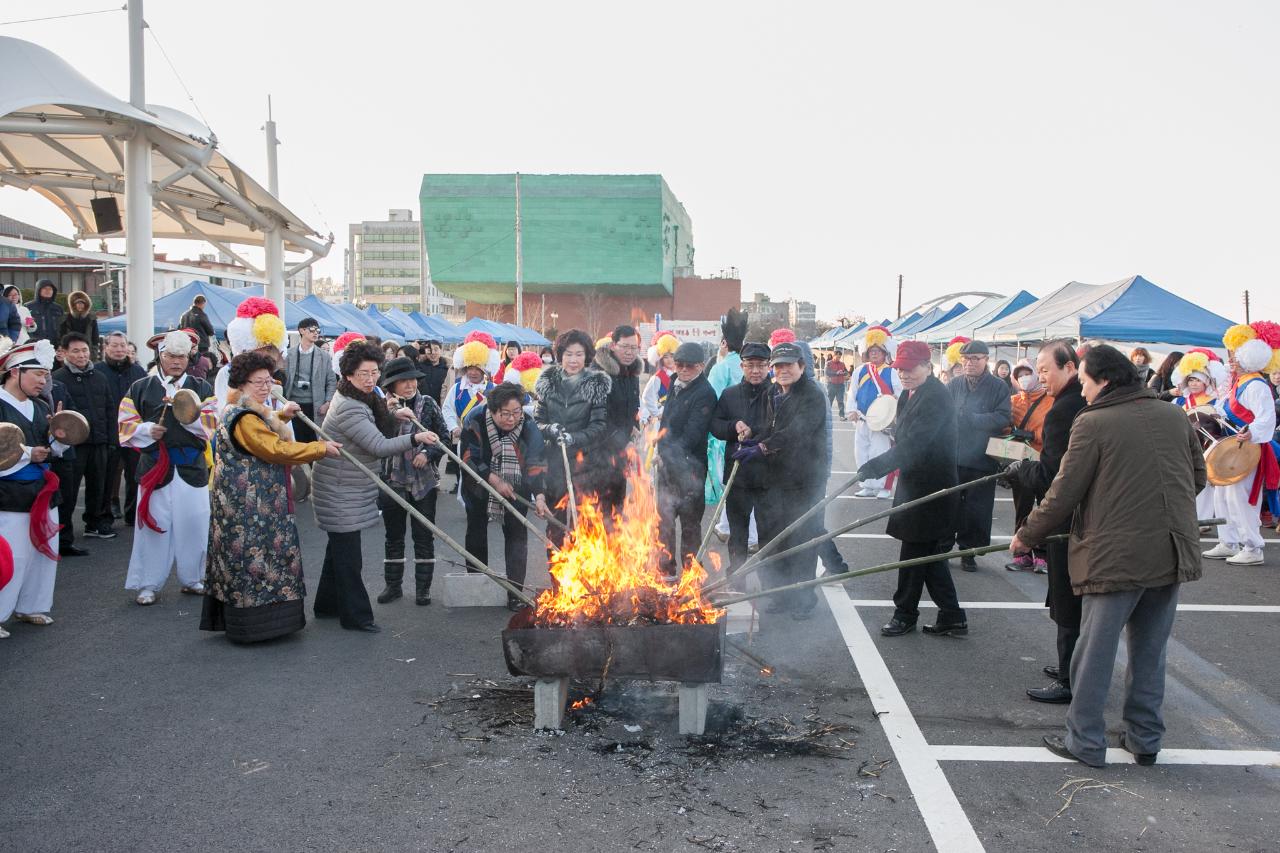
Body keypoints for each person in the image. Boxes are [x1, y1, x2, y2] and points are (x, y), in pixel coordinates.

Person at [1011, 345, 1205, 768]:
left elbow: (1063, 493)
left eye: (1083, 381)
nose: (1081, 389)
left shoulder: (1093, 422)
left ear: (1103, 380)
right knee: (1150, 653)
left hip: (1115, 557)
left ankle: (1084, 741)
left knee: (1093, 654)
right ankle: (1145, 738)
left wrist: (1026, 535)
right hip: (1169, 552)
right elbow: (1197, 477)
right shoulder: (1173, 414)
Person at [201, 351, 340, 643]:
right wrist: (319, 449)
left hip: (247, 503)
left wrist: (280, 416)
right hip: (251, 506)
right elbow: (273, 449)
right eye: (258, 383)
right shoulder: (244, 417)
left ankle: (258, 624)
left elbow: (264, 433)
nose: (265, 387)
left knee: (251, 561)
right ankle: (257, 628)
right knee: (258, 562)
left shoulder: (241, 409)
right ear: (241, 384)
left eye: (268, 381)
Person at [310, 341, 437, 632]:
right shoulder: (350, 407)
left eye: (374, 372)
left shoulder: (356, 397)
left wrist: (394, 416)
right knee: (348, 555)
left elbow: (376, 427)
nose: (370, 379)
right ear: (348, 375)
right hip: (340, 487)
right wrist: (416, 439)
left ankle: (327, 605)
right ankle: (357, 617)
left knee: (339, 549)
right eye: (363, 374)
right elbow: (378, 445)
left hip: (345, 483)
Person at [855, 340, 967, 636]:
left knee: (914, 554)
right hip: (915, 484)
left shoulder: (936, 397)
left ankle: (905, 614)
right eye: (900, 368)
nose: (904, 374)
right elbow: (904, 434)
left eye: (910, 368)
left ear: (928, 367)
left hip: (932, 489)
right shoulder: (908, 394)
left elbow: (915, 445)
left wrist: (875, 466)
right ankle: (952, 616)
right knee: (927, 557)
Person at [1002, 342, 1088, 703]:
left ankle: (1070, 678)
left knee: (1067, 597)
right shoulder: (1082, 403)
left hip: (1066, 519)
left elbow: (1053, 476)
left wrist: (1023, 470)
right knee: (1069, 595)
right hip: (1082, 517)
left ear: (1070, 367)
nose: (1040, 377)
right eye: (1037, 370)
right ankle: (1069, 665)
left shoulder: (1064, 409)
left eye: (1046, 369)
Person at [118, 330, 218, 605]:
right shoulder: (141, 387)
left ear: (190, 357)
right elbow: (124, 426)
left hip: (191, 466)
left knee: (195, 524)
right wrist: (148, 430)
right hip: (155, 467)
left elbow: (212, 425)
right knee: (154, 525)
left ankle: (193, 577)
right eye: (171, 356)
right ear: (160, 356)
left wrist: (186, 416)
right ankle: (148, 583)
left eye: (182, 356)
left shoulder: (201, 387)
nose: (176, 361)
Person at [749, 341, 830, 619]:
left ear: (802, 366)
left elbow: (797, 432)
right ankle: (781, 596)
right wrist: (751, 435)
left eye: (789, 365)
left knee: (802, 540)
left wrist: (761, 447)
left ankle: (804, 600)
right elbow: (769, 427)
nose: (783, 370)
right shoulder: (773, 392)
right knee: (777, 541)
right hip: (777, 480)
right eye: (778, 366)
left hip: (806, 479)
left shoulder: (812, 395)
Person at [460, 382, 550, 610]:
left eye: (516, 413)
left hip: (516, 486)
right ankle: (476, 585)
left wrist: (539, 496)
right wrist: (494, 480)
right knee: (476, 531)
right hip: (479, 484)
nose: (511, 419)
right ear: (492, 411)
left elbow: (536, 463)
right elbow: (469, 458)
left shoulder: (528, 425)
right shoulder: (475, 421)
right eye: (505, 414)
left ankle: (514, 592)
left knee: (517, 536)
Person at [0, 340, 69, 636]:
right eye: (38, 374)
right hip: (9, 492)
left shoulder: (41, 406)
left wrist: (61, 436)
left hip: (42, 489)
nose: (44, 381)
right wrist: (29, 453)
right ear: (15, 372)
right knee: (12, 556)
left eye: (46, 375)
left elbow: (54, 449)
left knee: (44, 550)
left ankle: (32, 606)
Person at [1203, 323, 1280, 566]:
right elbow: (1225, 409)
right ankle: (1229, 542)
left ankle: (1253, 547)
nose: (1232, 358)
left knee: (1241, 499)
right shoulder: (1239, 382)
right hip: (1232, 447)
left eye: (1236, 353)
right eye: (1231, 353)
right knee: (1223, 497)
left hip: (1247, 449)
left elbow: (1266, 418)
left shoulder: (1256, 385)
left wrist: (1252, 431)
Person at [376, 357, 449, 606]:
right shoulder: (382, 408)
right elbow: (376, 439)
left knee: (423, 535)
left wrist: (428, 454)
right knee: (393, 535)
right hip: (391, 478)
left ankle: (423, 589)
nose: (409, 385)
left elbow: (445, 438)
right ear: (391, 386)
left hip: (424, 481)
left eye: (412, 380)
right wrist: (392, 414)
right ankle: (393, 586)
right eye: (402, 381)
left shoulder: (428, 404)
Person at [534, 329, 611, 546]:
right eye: (568, 354)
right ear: (560, 355)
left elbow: (598, 426)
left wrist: (573, 438)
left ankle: (584, 572)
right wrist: (550, 429)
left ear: (587, 356)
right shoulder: (548, 381)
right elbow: (537, 421)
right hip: (554, 462)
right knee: (555, 522)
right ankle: (557, 575)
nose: (573, 360)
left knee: (585, 522)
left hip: (585, 462)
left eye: (579, 354)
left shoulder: (596, 383)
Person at [948, 339, 1012, 571]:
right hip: (954, 455)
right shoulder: (954, 384)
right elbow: (943, 411)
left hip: (982, 458)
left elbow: (1003, 417)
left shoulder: (998, 386)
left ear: (986, 360)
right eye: (965, 359)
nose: (969, 363)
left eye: (975, 358)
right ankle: (943, 547)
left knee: (977, 509)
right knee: (949, 503)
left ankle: (969, 551)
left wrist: (974, 418)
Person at [709, 342, 772, 574]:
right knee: (738, 531)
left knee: (767, 530)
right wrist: (733, 426)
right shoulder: (729, 394)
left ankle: (768, 579)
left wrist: (753, 431)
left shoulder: (777, 393)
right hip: (738, 475)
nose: (755, 371)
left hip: (768, 475)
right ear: (742, 366)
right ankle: (736, 577)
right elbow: (715, 425)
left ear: (769, 367)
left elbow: (780, 429)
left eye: (761, 366)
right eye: (750, 365)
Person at [655, 341, 716, 575]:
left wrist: (667, 454)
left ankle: (691, 580)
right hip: (666, 470)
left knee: (690, 528)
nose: (683, 370)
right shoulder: (673, 382)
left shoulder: (705, 393)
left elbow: (692, 435)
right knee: (664, 526)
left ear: (701, 366)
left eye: (689, 366)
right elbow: (668, 422)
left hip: (690, 471)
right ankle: (665, 574)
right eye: (679, 364)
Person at [52, 332, 116, 547]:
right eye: (76, 351)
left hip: (100, 441)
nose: (81, 355)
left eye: (84, 350)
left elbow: (109, 408)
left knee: (98, 486)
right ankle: (63, 533)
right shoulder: (58, 379)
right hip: (73, 445)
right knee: (68, 490)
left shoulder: (99, 376)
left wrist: (110, 438)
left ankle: (94, 523)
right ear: (64, 353)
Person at [1169, 350, 1229, 525]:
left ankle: (1202, 519)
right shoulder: (1179, 402)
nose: (1194, 384)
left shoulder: (1216, 402)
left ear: (1207, 382)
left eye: (1198, 380)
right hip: (1182, 446)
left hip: (1207, 446)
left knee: (1206, 481)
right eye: (1191, 380)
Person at [1003, 360, 1050, 573]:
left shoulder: (1051, 400)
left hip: (1043, 460)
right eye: (1019, 374)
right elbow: (1004, 427)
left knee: (1044, 508)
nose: (1024, 378)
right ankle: (1021, 554)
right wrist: (1011, 432)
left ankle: (1042, 554)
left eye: (1028, 373)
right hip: (1020, 461)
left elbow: (1056, 430)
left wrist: (1035, 435)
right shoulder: (1013, 401)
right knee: (1022, 507)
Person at [593, 325, 644, 521]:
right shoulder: (600, 374)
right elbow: (600, 418)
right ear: (613, 345)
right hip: (599, 455)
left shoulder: (631, 373)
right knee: (601, 513)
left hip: (620, 456)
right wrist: (624, 442)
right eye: (625, 347)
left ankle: (615, 550)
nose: (630, 352)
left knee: (617, 508)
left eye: (634, 348)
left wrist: (634, 428)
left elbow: (632, 409)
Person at [707, 310, 750, 543]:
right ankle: (725, 526)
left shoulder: (721, 368)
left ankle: (748, 536)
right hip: (749, 430)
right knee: (740, 483)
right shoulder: (747, 365)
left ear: (725, 342)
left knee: (732, 483)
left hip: (725, 433)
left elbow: (710, 399)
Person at [848, 326, 902, 499]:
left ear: (885, 352)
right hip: (862, 419)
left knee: (879, 453)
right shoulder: (860, 370)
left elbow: (900, 393)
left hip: (881, 422)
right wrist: (852, 411)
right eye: (871, 350)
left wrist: (891, 405)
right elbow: (852, 392)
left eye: (878, 350)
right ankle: (866, 484)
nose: (874, 354)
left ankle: (882, 487)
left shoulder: (892, 371)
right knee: (861, 452)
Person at [97, 331, 145, 526]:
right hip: (109, 432)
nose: (119, 349)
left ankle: (132, 515)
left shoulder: (138, 372)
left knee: (135, 476)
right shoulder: (98, 371)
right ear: (106, 348)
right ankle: (104, 518)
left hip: (134, 433)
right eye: (114, 346)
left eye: (122, 345)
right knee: (107, 478)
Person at [442, 332, 499, 492]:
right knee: (465, 473)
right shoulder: (457, 388)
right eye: (470, 368)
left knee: (486, 472)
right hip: (463, 438)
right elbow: (447, 409)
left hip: (487, 441)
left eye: (477, 368)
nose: (473, 372)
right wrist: (454, 427)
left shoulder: (492, 389)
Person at [284, 317, 337, 444]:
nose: (316, 333)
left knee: (314, 440)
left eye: (317, 330)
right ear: (302, 331)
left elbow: (331, 381)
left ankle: (313, 464)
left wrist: (327, 402)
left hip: (316, 405)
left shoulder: (324, 356)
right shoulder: (289, 354)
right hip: (293, 404)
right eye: (312, 330)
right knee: (295, 440)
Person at [640, 332, 679, 425]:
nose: (669, 360)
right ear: (660, 359)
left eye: (672, 356)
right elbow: (647, 397)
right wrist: (657, 414)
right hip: (662, 420)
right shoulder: (657, 377)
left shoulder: (680, 375)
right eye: (666, 357)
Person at [58, 291, 100, 356]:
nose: (80, 305)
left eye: (82, 303)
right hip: (70, 351)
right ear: (73, 305)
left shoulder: (91, 318)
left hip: (87, 351)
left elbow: (95, 338)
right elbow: (61, 336)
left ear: (86, 305)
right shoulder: (66, 318)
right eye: (78, 303)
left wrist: (93, 352)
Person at [25, 279, 65, 345]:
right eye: (45, 288)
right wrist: (31, 342)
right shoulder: (29, 307)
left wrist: (62, 343)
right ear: (38, 290)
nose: (48, 291)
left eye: (50, 289)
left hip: (55, 345)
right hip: (35, 345)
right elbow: (27, 327)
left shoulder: (58, 308)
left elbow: (63, 328)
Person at [417, 339, 451, 405]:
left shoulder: (448, 368)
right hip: (422, 405)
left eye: (436, 349)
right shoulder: (419, 366)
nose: (433, 353)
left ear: (441, 350)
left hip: (441, 405)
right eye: (429, 350)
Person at [824, 348, 850, 418]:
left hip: (840, 385)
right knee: (829, 401)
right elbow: (827, 372)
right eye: (837, 357)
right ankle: (826, 415)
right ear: (833, 355)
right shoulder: (828, 363)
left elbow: (846, 372)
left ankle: (842, 416)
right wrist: (836, 373)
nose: (838, 358)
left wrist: (845, 373)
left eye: (840, 357)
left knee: (840, 401)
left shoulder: (842, 364)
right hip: (831, 385)